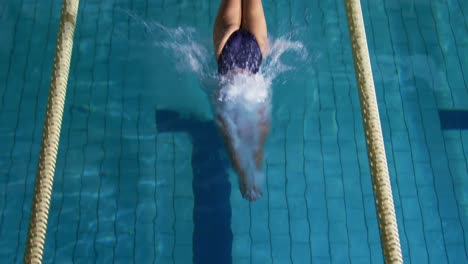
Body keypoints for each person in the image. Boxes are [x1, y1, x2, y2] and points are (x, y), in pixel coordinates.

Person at [213, 0, 269, 201]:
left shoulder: (262, 127)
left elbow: (254, 153)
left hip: (254, 56)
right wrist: (244, 179)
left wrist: (249, 178)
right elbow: (233, 146)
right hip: (228, 60)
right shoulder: (229, 121)